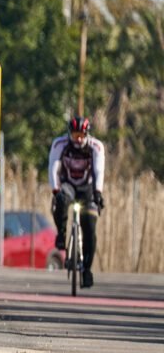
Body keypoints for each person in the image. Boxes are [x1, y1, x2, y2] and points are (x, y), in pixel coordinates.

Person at [48, 115, 105, 288]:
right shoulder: (60, 144)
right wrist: (56, 190)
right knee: (61, 200)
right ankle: (62, 233)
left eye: (81, 135)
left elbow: (99, 170)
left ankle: (87, 270)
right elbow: (53, 167)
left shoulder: (96, 146)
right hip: (68, 185)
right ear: (69, 134)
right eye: (74, 135)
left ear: (87, 134)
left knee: (90, 225)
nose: (78, 139)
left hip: (88, 188)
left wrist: (98, 192)